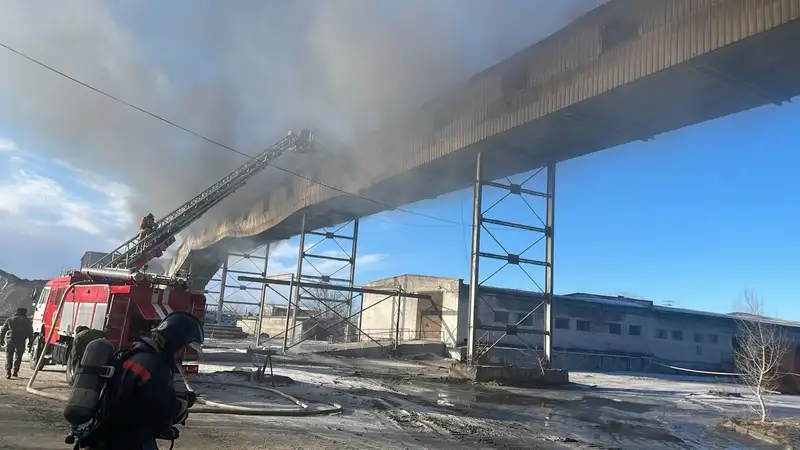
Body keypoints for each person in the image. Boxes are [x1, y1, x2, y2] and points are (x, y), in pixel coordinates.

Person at [83, 311, 203, 450]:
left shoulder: (134, 355)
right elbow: (163, 413)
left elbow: (140, 395)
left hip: (104, 436)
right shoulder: (155, 367)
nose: (181, 353)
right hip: (128, 442)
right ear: (175, 342)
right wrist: (182, 404)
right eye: (182, 347)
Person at [0, 308, 34, 379]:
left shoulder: (9, 319)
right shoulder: (27, 321)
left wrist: (1, 339)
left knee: (9, 356)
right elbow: (30, 333)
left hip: (10, 340)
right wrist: (30, 342)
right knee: (18, 356)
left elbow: (3, 330)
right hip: (21, 341)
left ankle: (8, 373)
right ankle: (15, 372)